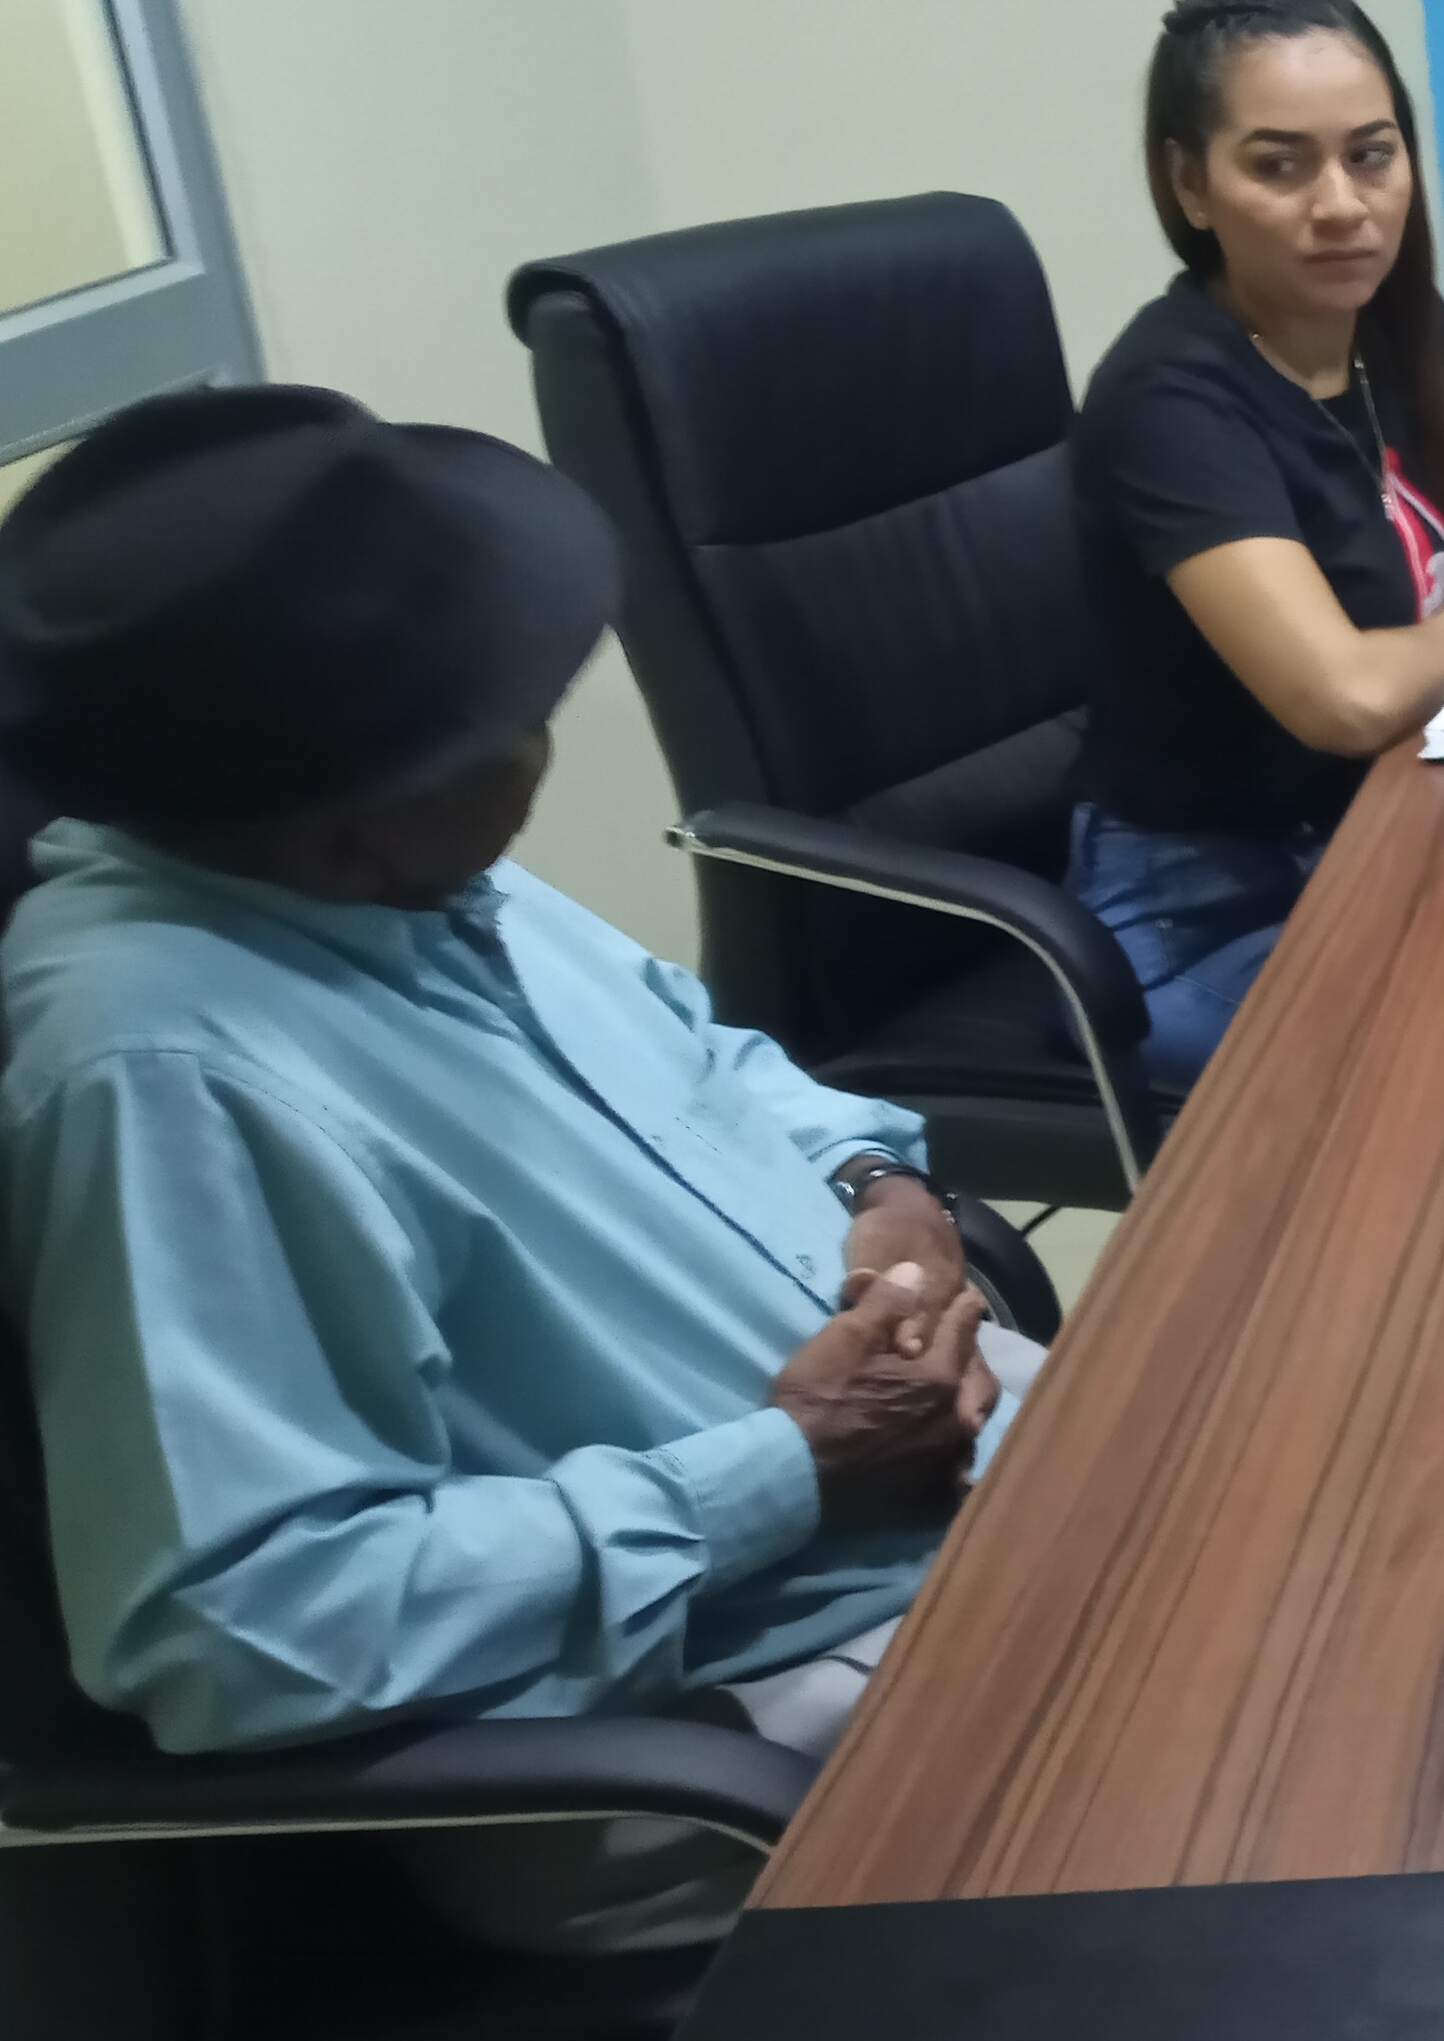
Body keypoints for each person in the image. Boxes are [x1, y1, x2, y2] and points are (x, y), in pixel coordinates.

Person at [0, 387, 1038, 1946]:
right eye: (519, 722)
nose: (546, 740)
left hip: (946, 1511)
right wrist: (786, 1470)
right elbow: (238, 1631)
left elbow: (709, 1055)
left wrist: (875, 1188)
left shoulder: (411, 876)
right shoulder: (164, 1077)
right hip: (737, 1726)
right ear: (346, 822)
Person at [1070, 0, 1444, 1087]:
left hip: (1397, 822)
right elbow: (1345, 700)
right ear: (1190, 183)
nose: (1342, 206)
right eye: (1280, 166)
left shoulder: (1386, 322)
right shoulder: (1172, 398)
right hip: (1205, 907)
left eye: (1371, 155)